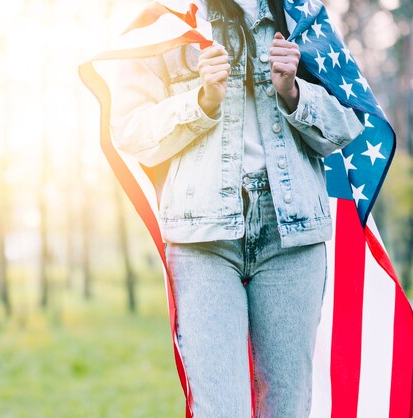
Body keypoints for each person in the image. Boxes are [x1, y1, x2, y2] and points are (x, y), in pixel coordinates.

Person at [109, 0, 366, 416]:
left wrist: (293, 90)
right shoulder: (163, 19)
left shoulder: (302, 16)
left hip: (292, 236)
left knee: (287, 407)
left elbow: (348, 125)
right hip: (203, 240)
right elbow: (131, 132)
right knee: (220, 409)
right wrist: (202, 100)